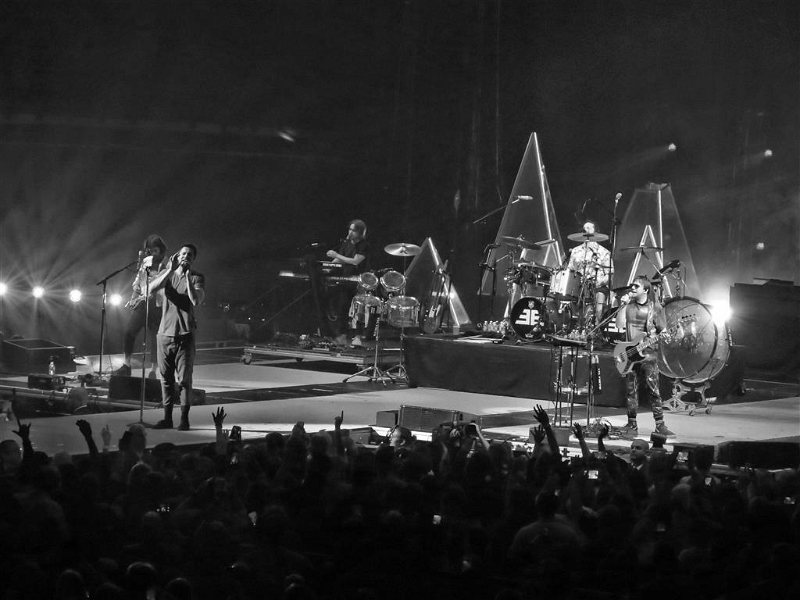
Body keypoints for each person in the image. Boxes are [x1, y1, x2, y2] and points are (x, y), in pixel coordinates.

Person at [148, 244, 205, 430]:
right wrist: (169, 270)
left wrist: (187, 278)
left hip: (185, 335)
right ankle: (167, 418)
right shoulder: (168, 274)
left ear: (193, 259)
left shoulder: (196, 277)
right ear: (177, 256)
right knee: (166, 379)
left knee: (184, 380)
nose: (186, 256)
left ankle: (184, 419)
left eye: (189, 255)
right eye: (183, 254)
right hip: (164, 334)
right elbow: (150, 289)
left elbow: (196, 300)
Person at [615, 276, 675, 437]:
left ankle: (660, 425)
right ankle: (632, 424)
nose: (632, 288)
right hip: (631, 355)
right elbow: (619, 324)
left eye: (636, 286)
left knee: (654, 390)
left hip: (649, 354)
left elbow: (663, 330)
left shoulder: (655, 308)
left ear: (646, 290)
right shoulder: (628, 306)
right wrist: (622, 306)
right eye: (632, 285)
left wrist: (666, 335)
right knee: (631, 391)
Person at [116, 234, 168, 378]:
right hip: (142, 303)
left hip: (158, 305)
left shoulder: (168, 264)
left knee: (155, 338)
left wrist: (150, 294)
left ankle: (153, 370)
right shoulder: (146, 262)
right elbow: (138, 281)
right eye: (149, 250)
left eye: (154, 250)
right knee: (129, 332)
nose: (152, 253)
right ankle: (126, 365)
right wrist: (134, 298)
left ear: (160, 249)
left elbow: (163, 284)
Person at [325, 219, 371, 347]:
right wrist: (328, 267)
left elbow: (355, 261)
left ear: (360, 232)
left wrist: (336, 255)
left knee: (359, 310)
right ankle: (342, 336)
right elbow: (340, 259)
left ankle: (358, 337)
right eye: (350, 229)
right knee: (343, 307)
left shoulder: (364, 245)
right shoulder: (346, 244)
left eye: (354, 230)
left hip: (359, 281)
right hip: (346, 280)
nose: (350, 232)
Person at [567, 220, 613, 335]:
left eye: (589, 228)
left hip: (598, 286)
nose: (586, 230)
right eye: (584, 228)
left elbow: (609, 273)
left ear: (596, 231)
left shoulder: (604, 252)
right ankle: (575, 327)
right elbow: (570, 270)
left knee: (599, 297)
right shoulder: (575, 251)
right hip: (579, 286)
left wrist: (599, 282)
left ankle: (594, 331)